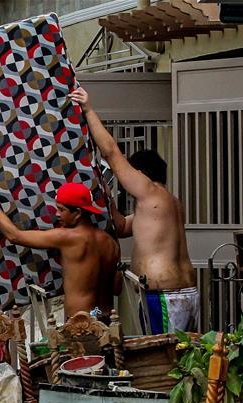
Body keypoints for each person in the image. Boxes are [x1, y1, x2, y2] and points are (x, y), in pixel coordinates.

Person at [70, 86, 200, 334]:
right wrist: (105, 194)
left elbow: (111, 153)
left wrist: (88, 110)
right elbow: (121, 227)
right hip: (181, 294)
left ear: (142, 175)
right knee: (180, 362)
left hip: (165, 297)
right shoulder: (167, 203)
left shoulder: (149, 191)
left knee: (164, 362)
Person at [0, 181, 120, 320]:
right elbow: (116, 288)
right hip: (105, 316)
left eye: (61, 209)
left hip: (80, 323)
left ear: (77, 213)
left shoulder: (67, 237)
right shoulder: (110, 242)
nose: (57, 214)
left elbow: (15, 236)